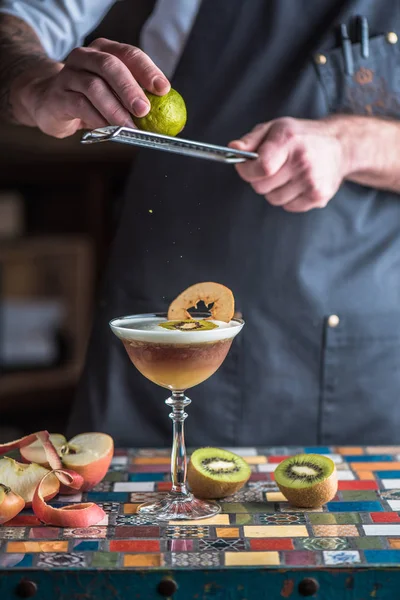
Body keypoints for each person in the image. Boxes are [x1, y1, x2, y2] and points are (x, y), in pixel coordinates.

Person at [1, 0, 400, 447]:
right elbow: (17, 23)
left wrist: (351, 145)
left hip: (368, 361)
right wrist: (35, 83)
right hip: (169, 333)